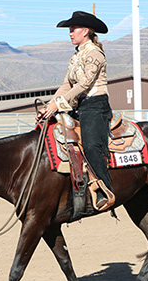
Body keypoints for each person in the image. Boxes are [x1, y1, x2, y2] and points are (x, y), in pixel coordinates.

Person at [36, 11, 114, 210]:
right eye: (69, 30)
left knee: (90, 146)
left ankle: (105, 190)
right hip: (79, 105)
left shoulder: (94, 54)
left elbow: (84, 85)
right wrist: (49, 107)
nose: (70, 33)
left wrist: (58, 104)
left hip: (96, 105)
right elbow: (66, 84)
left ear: (85, 31)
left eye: (73, 29)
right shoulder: (76, 56)